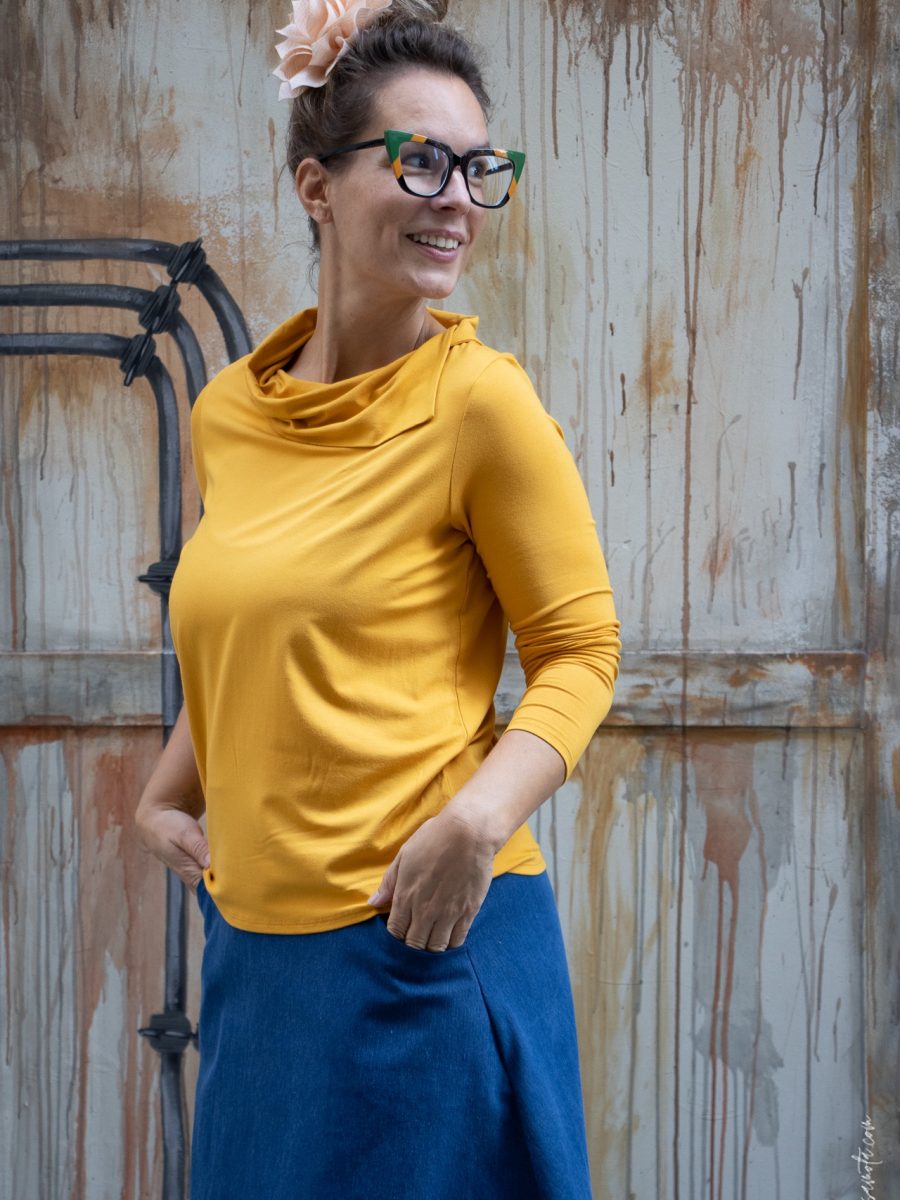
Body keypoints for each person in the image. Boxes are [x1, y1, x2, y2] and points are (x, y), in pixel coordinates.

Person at [135, 2, 621, 1197]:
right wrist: (171, 782)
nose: (457, 195)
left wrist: (474, 823)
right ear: (318, 184)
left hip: (428, 948)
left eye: (478, 167)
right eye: (420, 159)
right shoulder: (230, 417)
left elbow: (582, 649)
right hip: (258, 967)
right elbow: (252, 625)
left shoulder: (478, 404)